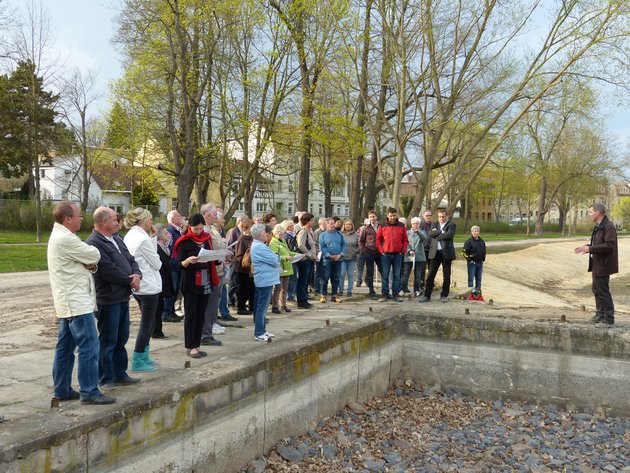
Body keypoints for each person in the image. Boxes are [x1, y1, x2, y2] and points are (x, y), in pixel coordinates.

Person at [47, 202, 115, 405]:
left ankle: (62, 390)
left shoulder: (61, 237)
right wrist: (89, 259)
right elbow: (95, 255)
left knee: (65, 347)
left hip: (68, 301)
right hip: (76, 303)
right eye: (78, 215)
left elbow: (88, 263)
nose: (81, 219)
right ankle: (89, 391)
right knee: (89, 346)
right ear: (68, 218)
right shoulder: (66, 239)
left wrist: (88, 262)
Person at [86, 207, 141, 389]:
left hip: (122, 295)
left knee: (121, 337)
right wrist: (129, 280)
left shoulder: (116, 238)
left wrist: (137, 274)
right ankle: (106, 377)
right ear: (104, 222)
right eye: (114, 220)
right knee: (108, 339)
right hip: (108, 297)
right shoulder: (94, 242)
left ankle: (119, 372)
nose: (118, 223)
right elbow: (107, 269)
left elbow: (131, 259)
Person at [173, 213, 219, 358]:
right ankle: (190, 346)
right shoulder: (183, 242)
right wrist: (187, 261)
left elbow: (211, 258)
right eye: (196, 229)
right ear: (189, 227)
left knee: (201, 315)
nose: (199, 231)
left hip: (206, 279)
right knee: (191, 315)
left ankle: (197, 344)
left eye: (200, 228)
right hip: (191, 281)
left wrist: (220, 258)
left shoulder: (206, 239)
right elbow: (177, 264)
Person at [123, 208, 162, 373]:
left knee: (148, 322)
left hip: (139, 286)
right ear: (143, 220)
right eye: (150, 219)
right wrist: (152, 239)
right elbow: (157, 262)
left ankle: (144, 355)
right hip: (148, 286)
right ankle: (139, 358)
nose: (152, 222)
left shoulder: (131, 235)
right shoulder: (142, 239)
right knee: (147, 324)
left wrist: (152, 237)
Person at [574, 203, 619, 328]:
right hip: (597, 264)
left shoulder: (608, 226)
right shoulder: (599, 226)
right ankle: (600, 315)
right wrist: (588, 247)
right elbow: (597, 243)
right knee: (596, 290)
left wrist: (590, 249)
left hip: (604, 265)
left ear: (598, 212)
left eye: (590, 212)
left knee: (603, 292)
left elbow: (610, 246)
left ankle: (609, 320)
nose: (589, 214)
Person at [250, 223, 282, 341]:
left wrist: (275, 257)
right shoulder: (260, 247)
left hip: (264, 279)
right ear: (259, 234)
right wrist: (277, 256)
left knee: (261, 307)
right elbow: (274, 260)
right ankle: (259, 332)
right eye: (264, 232)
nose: (267, 234)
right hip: (264, 280)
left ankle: (262, 330)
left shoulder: (260, 245)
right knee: (262, 307)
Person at [199, 203, 225, 347]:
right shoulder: (203, 229)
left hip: (216, 269)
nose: (217, 216)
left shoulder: (211, 229)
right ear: (208, 215)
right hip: (208, 271)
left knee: (212, 304)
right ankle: (205, 334)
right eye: (215, 214)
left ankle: (207, 332)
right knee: (208, 305)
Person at [421, 209, 456, 303]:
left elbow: (450, 235)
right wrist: (442, 232)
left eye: (443, 216)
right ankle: (427, 296)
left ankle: (444, 295)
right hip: (435, 253)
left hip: (446, 253)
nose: (441, 218)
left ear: (447, 216)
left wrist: (438, 234)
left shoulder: (451, 225)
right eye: (439, 217)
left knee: (446, 276)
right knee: (430, 275)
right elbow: (431, 234)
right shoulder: (434, 224)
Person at [376, 208, 408, 302]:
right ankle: (385, 294)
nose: (392, 217)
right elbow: (378, 239)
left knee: (396, 275)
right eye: (391, 215)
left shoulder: (401, 226)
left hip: (398, 254)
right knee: (385, 275)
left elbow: (405, 240)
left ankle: (395, 294)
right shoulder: (382, 225)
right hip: (385, 254)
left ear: (396, 215)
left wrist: (403, 250)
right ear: (387, 215)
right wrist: (381, 250)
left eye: (394, 215)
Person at [269, 224, 299, 313]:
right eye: (280, 233)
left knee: (285, 289)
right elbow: (274, 255)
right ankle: (275, 306)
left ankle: (283, 305)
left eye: (282, 233)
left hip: (287, 268)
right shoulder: (273, 242)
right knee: (278, 288)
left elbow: (288, 251)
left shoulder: (283, 241)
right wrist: (285, 257)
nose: (281, 235)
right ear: (275, 233)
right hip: (280, 268)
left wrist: (296, 255)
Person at [162, 210, 184, 323]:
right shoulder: (170, 231)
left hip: (178, 265)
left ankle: (171, 311)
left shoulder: (178, 231)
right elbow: (169, 248)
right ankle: (167, 313)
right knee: (171, 289)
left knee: (176, 290)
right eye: (178, 216)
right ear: (173, 219)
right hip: (173, 266)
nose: (181, 218)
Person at [319, 217, 346, 303]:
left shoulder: (339, 234)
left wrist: (341, 254)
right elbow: (322, 247)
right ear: (326, 225)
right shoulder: (322, 235)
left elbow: (344, 245)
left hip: (338, 260)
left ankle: (334, 295)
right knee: (325, 278)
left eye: (333, 223)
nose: (332, 225)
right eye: (330, 223)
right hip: (327, 260)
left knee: (336, 278)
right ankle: (323, 295)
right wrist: (329, 256)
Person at [154, 224, 173, 339]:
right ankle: (156, 331)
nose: (168, 235)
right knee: (157, 307)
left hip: (164, 280)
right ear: (160, 236)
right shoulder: (157, 247)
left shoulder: (164, 247)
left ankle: (158, 330)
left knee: (159, 306)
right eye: (166, 233)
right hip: (159, 281)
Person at [358, 210, 382, 300]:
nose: (372, 218)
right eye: (371, 216)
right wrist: (364, 250)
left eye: (374, 216)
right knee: (370, 272)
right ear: (369, 218)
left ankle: (385, 291)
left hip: (379, 252)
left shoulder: (381, 227)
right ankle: (371, 291)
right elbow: (360, 241)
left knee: (383, 271)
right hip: (369, 252)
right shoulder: (366, 228)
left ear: (376, 217)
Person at [295, 212, 317, 309]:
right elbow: (300, 245)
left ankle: (304, 300)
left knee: (306, 281)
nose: (313, 221)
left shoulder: (310, 231)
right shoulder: (303, 231)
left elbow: (311, 244)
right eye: (311, 220)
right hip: (304, 260)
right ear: (307, 221)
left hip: (310, 260)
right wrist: (309, 254)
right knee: (303, 281)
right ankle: (301, 301)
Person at [234, 218, 255, 315]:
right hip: (242, 269)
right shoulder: (241, 239)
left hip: (251, 269)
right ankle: (241, 307)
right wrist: (247, 261)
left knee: (251, 289)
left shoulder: (251, 238)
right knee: (243, 289)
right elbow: (238, 255)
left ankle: (252, 306)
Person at [402, 217, 427, 297]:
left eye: (417, 223)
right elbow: (405, 243)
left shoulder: (422, 232)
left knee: (418, 274)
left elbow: (424, 239)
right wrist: (409, 251)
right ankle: (404, 289)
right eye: (414, 223)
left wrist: (418, 233)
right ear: (411, 224)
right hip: (408, 256)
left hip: (419, 256)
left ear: (419, 224)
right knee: (406, 273)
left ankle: (417, 289)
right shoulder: (407, 233)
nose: (415, 225)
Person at [463, 225, 486, 291]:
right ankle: (471, 293)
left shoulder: (482, 241)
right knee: (471, 280)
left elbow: (484, 250)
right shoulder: (468, 241)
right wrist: (470, 260)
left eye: (477, 231)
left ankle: (478, 294)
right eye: (475, 231)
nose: (476, 232)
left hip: (480, 263)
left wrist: (483, 259)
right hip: (472, 263)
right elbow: (464, 252)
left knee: (479, 280)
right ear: (472, 232)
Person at [340, 219, 359, 297]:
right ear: (344, 225)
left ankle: (349, 290)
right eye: (346, 224)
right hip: (342, 257)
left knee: (351, 274)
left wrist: (355, 251)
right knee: (342, 274)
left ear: (352, 226)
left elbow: (359, 245)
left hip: (352, 257)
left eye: (349, 224)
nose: (348, 225)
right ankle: (340, 289)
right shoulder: (340, 234)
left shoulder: (356, 235)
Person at [283, 219, 299, 302]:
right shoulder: (287, 236)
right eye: (291, 226)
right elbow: (289, 249)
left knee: (294, 278)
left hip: (294, 258)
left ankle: (292, 294)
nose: (293, 227)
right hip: (290, 259)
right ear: (287, 227)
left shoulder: (293, 235)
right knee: (291, 278)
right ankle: (289, 295)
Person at [313, 217, 328, 295]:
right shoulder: (316, 232)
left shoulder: (328, 232)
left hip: (327, 255)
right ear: (320, 224)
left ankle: (323, 288)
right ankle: (317, 288)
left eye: (326, 223)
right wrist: (317, 250)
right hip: (319, 255)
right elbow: (314, 243)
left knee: (325, 273)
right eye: (324, 223)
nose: (326, 224)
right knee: (319, 272)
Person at [419, 210, 433, 291]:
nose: (428, 217)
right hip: (423, 249)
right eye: (427, 215)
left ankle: (430, 284)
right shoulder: (420, 225)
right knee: (422, 268)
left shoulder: (434, 225)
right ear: (424, 216)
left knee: (431, 268)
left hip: (431, 249)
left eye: (430, 215)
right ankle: (421, 284)